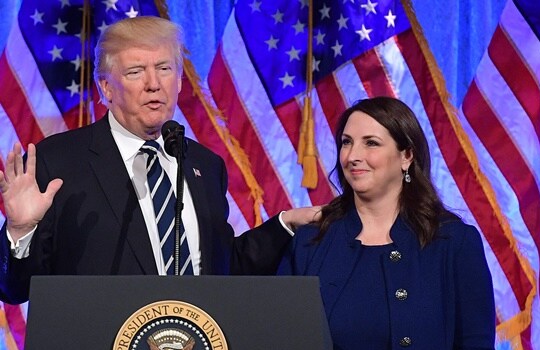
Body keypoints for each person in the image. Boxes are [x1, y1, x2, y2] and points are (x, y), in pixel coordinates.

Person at [0, 16, 317, 305]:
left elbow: (220, 269)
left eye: (164, 69)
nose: (154, 83)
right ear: (106, 87)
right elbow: (15, 289)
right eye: (136, 72)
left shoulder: (204, 165)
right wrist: (20, 231)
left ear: (179, 81)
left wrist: (284, 224)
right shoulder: (58, 163)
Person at [278, 97, 498, 350]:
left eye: (370, 143)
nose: (353, 156)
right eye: (346, 143)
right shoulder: (311, 243)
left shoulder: (453, 243)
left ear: (406, 156)